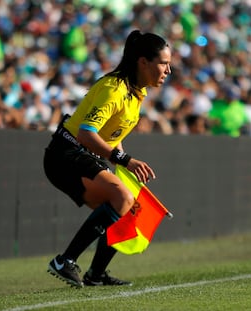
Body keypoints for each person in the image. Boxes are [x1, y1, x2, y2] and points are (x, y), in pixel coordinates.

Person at [43, 30, 171, 288]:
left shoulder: (136, 92)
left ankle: (95, 274)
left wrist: (120, 164)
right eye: (163, 63)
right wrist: (124, 160)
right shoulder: (115, 89)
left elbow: (112, 134)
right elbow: (86, 133)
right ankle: (64, 261)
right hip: (65, 153)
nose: (169, 70)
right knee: (122, 199)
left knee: (127, 208)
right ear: (143, 62)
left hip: (82, 153)